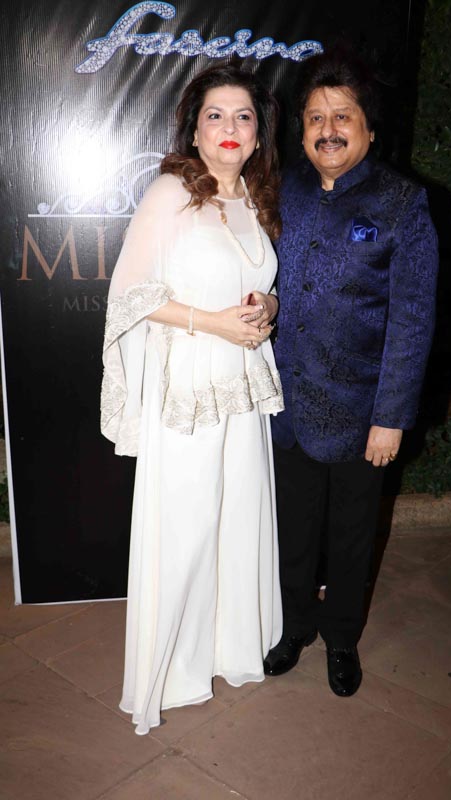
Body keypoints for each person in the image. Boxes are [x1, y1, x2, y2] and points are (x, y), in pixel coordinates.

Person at [101, 63, 284, 735]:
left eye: (243, 116)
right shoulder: (170, 192)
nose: (230, 127)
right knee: (184, 527)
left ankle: (228, 648)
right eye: (215, 115)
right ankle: (170, 671)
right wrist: (213, 323)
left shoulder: (254, 197)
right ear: (195, 129)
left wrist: (266, 307)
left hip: (241, 386)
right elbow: (131, 295)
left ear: (258, 132)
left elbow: (261, 284)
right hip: (187, 387)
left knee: (237, 519)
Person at [262, 50, 439, 696]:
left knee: (351, 537)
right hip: (286, 404)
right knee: (291, 531)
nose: (328, 129)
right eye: (315, 117)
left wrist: (390, 417)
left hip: (362, 414)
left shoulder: (402, 203)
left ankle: (340, 637)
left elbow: (412, 319)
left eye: (342, 116)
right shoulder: (282, 190)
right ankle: (293, 628)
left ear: (367, 127)